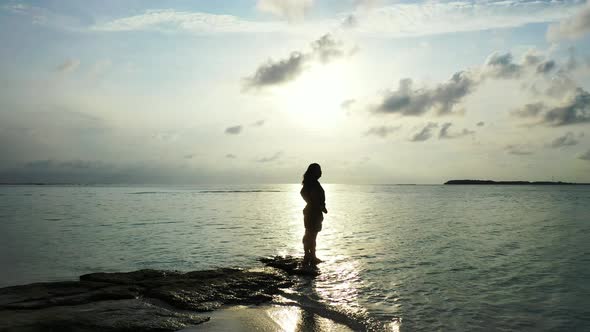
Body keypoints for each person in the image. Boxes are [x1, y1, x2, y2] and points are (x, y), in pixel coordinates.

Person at [300, 163, 327, 265]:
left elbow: (303, 193)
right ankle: (310, 256)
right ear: (314, 172)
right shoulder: (313, 184)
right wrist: (317, 205)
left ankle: (309, 256)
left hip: (311, 211)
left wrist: (316, 204)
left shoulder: (310, 183)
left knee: (309, 234)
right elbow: (309, 195)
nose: (321, 172)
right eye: (319, 170)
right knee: (311, 235)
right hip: (313, 212)